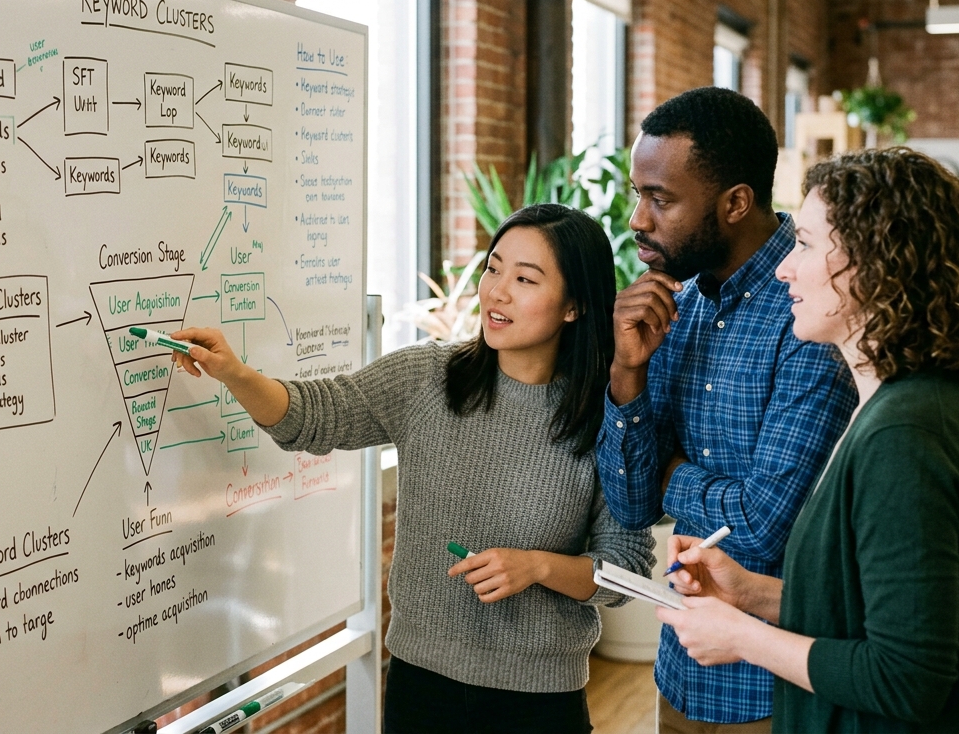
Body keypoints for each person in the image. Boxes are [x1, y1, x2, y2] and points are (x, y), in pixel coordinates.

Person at [171, 204, 655, 734]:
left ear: (574, 306)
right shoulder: (429, 378)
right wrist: (236, 374)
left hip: (540, 702)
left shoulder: (607, 417)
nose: (496, 291)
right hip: (422, 687)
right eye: (493, 268)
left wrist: (538, 567)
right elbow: (316, 417)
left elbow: (624, 570)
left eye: (525, 279)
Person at [657, 147, 959, 733]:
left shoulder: (904, 434)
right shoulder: (905, 403)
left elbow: (909, 675)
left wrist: (744, 638)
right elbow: (868, 615)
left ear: (871, 263)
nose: (783, 269)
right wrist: (750, 594)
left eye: (803, 243)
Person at [597, 87, 856, 732]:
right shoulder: (670, 309)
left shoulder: (807, 316)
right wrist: (626, 373)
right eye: (638, 195)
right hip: (681, 672)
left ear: (735, 203)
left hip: (773, 690)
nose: (637, 219)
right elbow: (631, 508)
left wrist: (668, 472)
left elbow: (759, 527)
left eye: (660, 199)